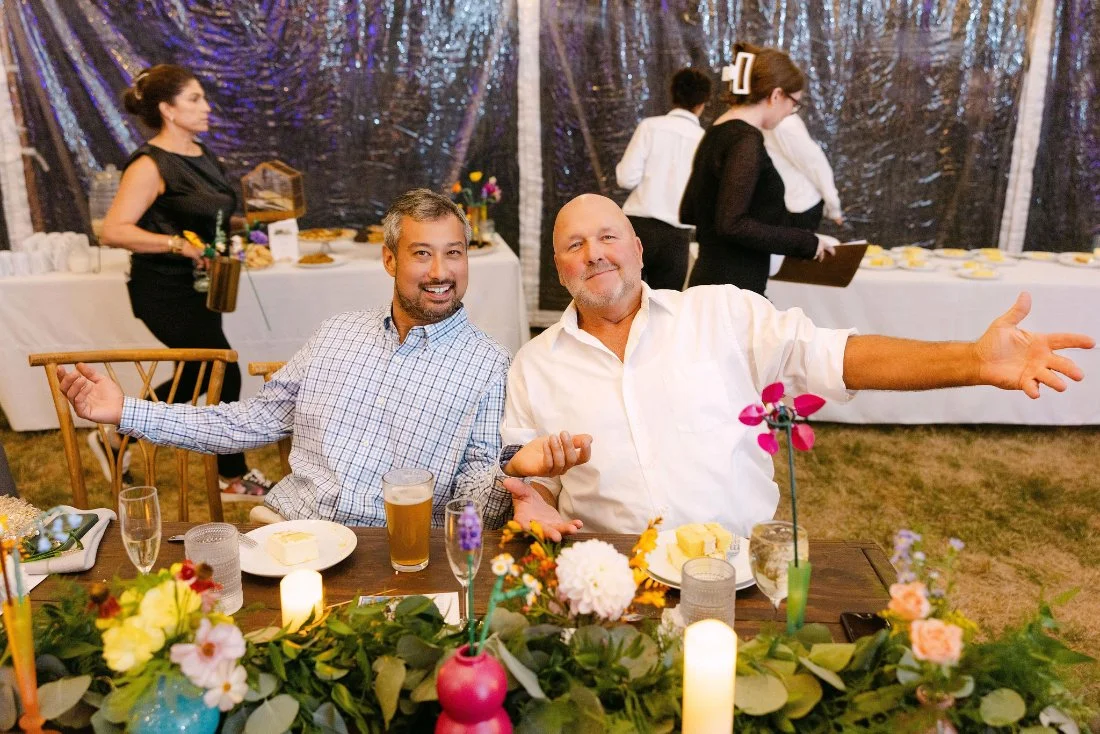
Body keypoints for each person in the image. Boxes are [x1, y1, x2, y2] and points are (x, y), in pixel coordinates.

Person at [498, 194, 1094, 538]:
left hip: (740, 572)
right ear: (558, 267)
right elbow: (534, 482)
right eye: (575, 245)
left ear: (636, 246)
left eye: (607, 236)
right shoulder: (533, 367)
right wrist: (532, 501)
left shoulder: (721, 312)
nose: (594, 253)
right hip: (611, 579)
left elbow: (839, 357)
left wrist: (970, 359)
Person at [60, 190, 590, 528]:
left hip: (394, 554)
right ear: (389, 259)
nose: (440, 271)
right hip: (288, 531)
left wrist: (512, 472)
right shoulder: (336, 335)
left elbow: (475, 498)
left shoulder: (490, 365)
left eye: (454, 252)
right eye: (422, 253)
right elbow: (249, 423)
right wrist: (126, 411)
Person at [99, 64, 269, 499]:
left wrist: (247, 227)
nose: (206, 106)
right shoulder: (150, 164)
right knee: (218, 369)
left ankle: (119, 433)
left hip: (200, 289)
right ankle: (229, 474)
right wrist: (179, 245)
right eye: (194, 99)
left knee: (200, 373)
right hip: (163, 289)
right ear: (167, 109)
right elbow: (114, 230)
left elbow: (207, 215)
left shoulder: (200, 152)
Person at [680, 43, 838, 296]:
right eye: (794, 104)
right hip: (734, 288)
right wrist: (805, 242)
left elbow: (688, 211)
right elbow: (731, 224)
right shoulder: (745, 140)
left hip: (710, 281)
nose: (790, 113)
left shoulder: (717, 130)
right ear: (776, 95)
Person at [615, 68, 713, 291]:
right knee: (665, 309)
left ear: (672, 95)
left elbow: (626, 178)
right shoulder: (705, 140)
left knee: (624, 301)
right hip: (676, 238)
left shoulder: (650, 127)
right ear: (703, 103)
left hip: (637, 227)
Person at [762, 113, 843, 231]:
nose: (793, 108)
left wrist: (833, 206)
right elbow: (814, 164)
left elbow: (814, 164)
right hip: (791, 205)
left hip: (800, 206)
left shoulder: (784, 123)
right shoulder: (779, 122)